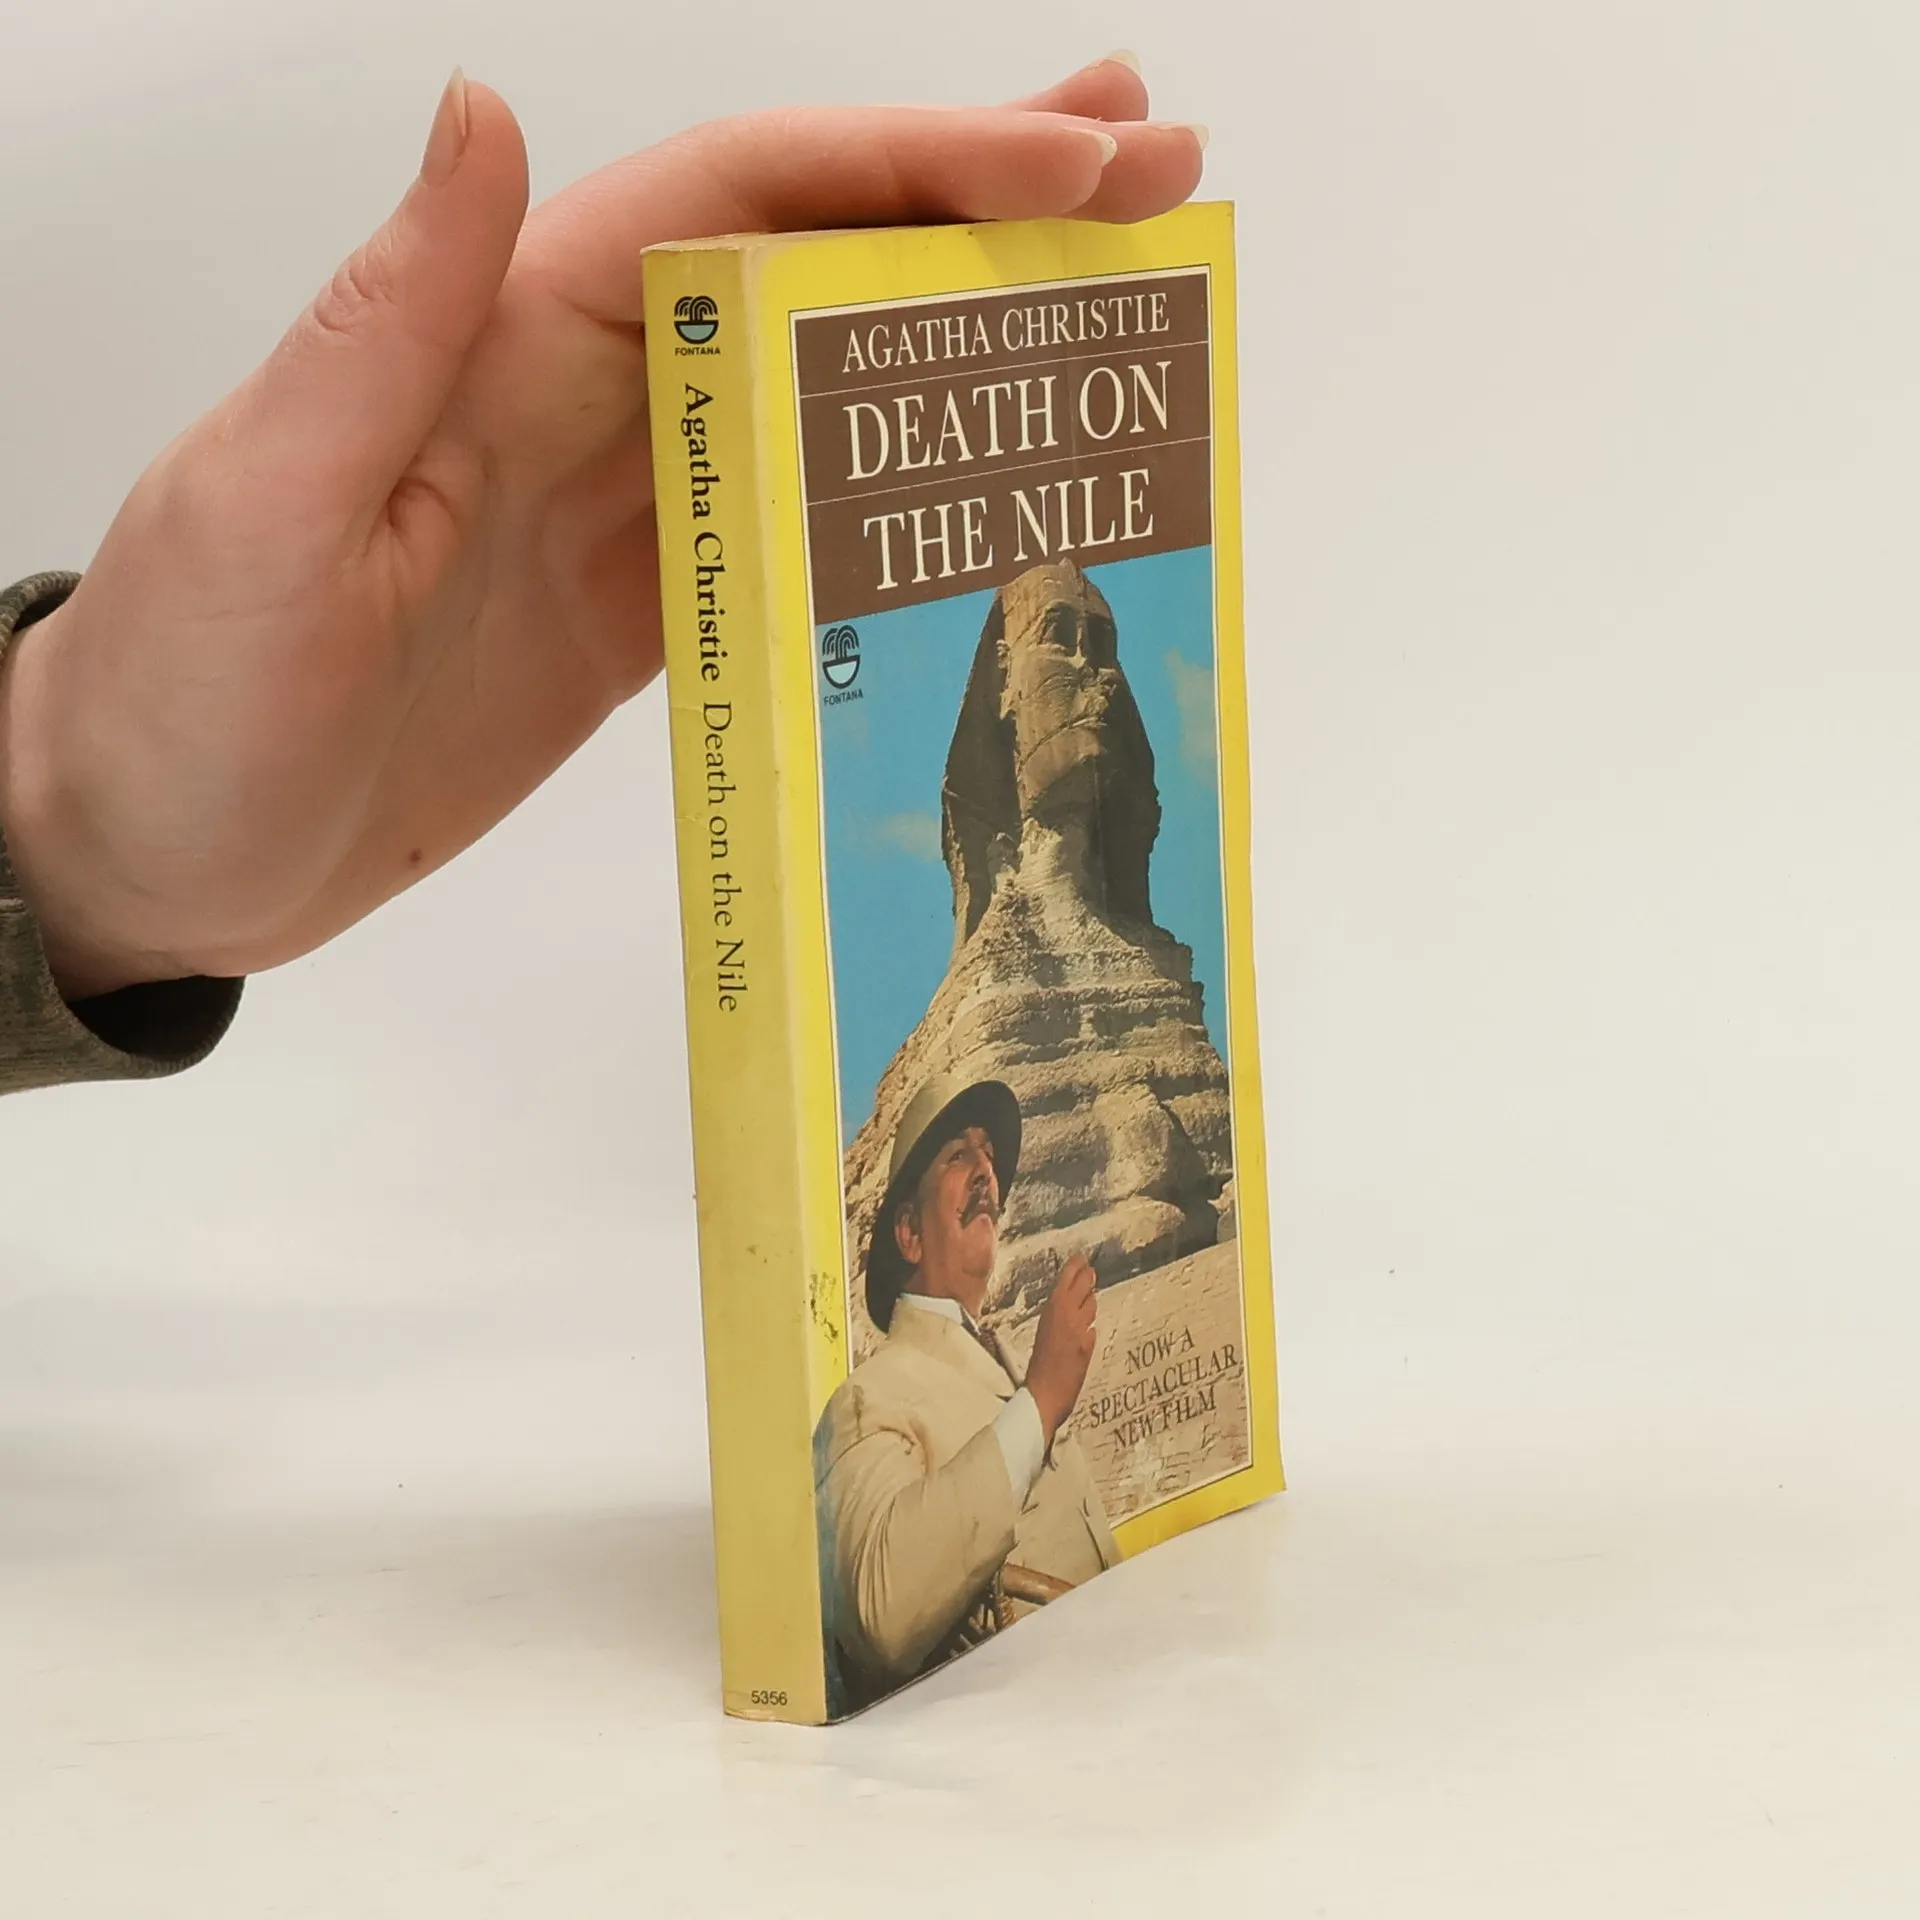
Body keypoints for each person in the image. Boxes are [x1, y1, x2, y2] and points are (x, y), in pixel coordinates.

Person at [0, 56, 1206, 1095]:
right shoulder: (979, 1023)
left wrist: (81, 868)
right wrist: (66, 808)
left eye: (1102, 648)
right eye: (1066, 644)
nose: (1102, 679)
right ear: (995, 703)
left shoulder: (1165, 975)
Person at [814, 1073, 1119, 1711]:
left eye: (989, 1155)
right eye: (958, 1156)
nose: (986, 1170)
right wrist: (1040, 1403)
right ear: (909, 1233)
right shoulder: (865, 1399)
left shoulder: (1011, 1368)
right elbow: (880, 1610)